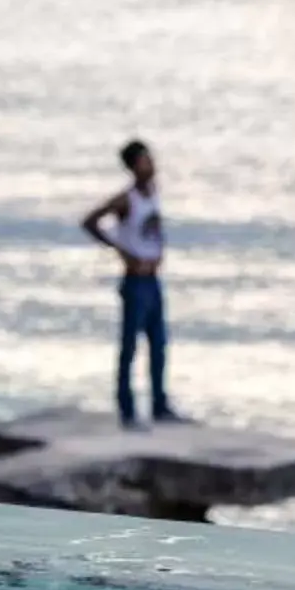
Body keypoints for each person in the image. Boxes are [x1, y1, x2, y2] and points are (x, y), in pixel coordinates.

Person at [82, 139, 179, 428]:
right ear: (133, 166)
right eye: (145, 161)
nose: (151, 165)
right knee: (129, 347)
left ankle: (160, 405)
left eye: (151, 159)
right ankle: (127, 410)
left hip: (153, 279)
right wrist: (119, 249)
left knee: (158, 344)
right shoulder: (126, 200)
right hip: (135, 281)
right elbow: (90, 221)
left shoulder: (153, 194)